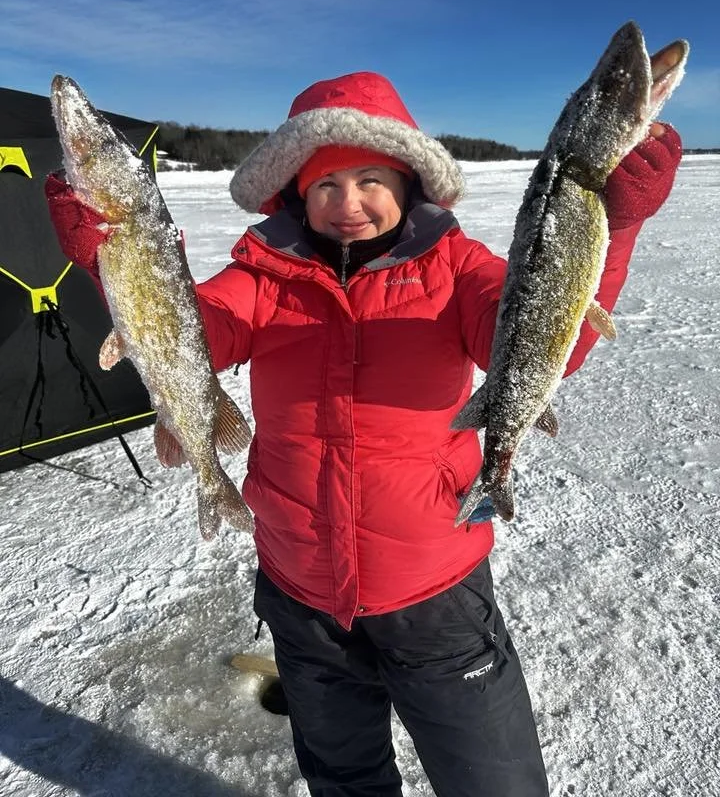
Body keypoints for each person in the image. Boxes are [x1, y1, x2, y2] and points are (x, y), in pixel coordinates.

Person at [46, 71, 683, 797]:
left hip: (436, 595)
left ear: (409, 183)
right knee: (345, 779)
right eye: (325, 186)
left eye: (371, 179)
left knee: (495, 782)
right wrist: (107, 260)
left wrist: (615, 222)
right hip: (302, 598)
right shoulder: (261, 279)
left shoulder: (460, 269)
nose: (348, 204)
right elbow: (187, 339)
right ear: (295, 194)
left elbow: (547, 342)